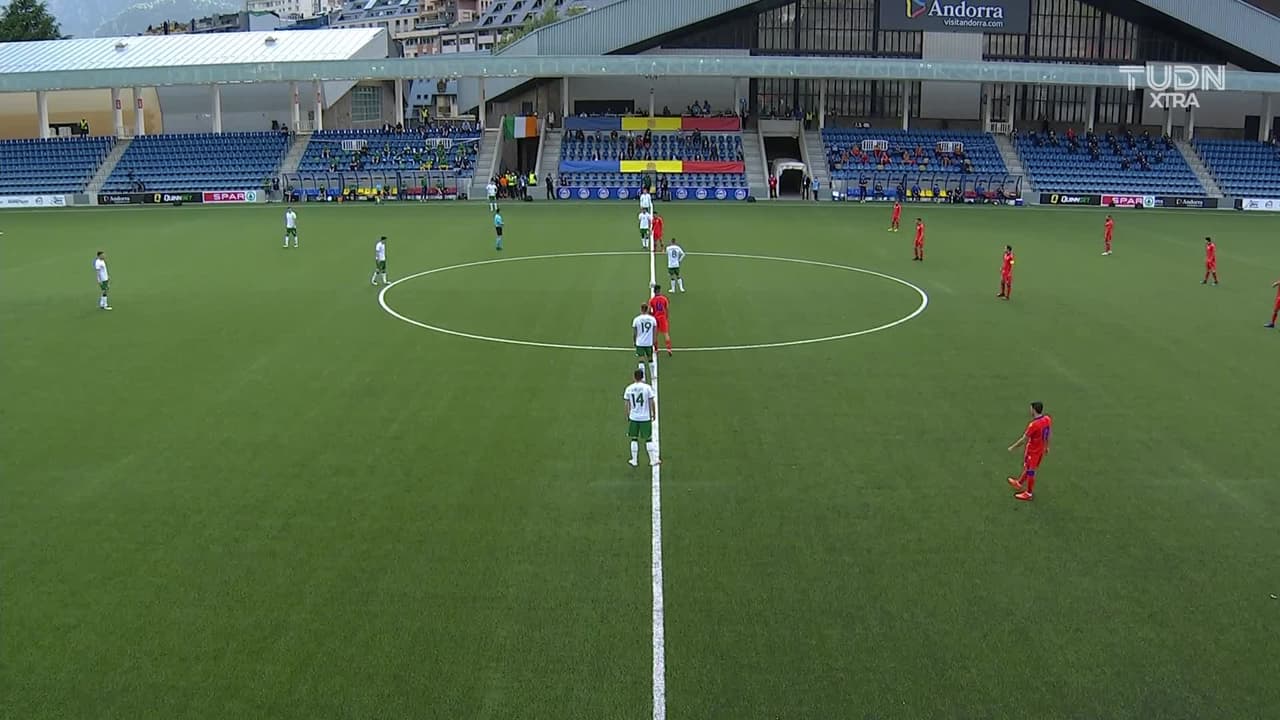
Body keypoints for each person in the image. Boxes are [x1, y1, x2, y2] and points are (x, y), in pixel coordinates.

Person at [1007, 401, 1053, 501]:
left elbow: (1024, 439)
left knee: (1031, 471)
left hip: (1033, 451)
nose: (1030, 410)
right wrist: (1047, 446)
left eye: (1030, 408)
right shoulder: (1047, 419)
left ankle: (1028, 493)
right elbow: (1049, 433)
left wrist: (1012, 447)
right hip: (1040, 450)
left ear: (1034, 410)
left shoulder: (1034, 425)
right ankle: (1019, 483)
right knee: (1029, 468)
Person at [623, 369, 661, 467]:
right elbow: (652, 401)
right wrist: (654, 413)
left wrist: (627, 415)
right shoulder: (647, 388)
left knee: (634, 438)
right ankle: (652, 460)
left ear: (634, 377)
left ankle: (634, 460)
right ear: (643, 377)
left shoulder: (629, 388)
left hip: (634, 417)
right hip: (645, 417)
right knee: (648, 439)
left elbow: (627, 403)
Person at [633, 303, 658, 380]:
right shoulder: (652, 319)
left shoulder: (636, 319)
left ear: (641, 309)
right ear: (647, 309)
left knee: (641, 360)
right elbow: (655, 330)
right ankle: (653, 375)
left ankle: (643, 378)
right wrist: (654, 340)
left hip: (640, 342)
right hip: (649, 342)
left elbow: (635, 332)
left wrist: (634, 341)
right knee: (650, 359)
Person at [650, 284, 672, 356]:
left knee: (655, 334)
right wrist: (666, 317)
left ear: (654, 291)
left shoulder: (652, 300)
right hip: (663, 317)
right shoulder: (664, 299)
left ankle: (656, 349)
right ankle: (668, 348)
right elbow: (667, 309)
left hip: (655, 318)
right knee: (666, 333)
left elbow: (651, 311)